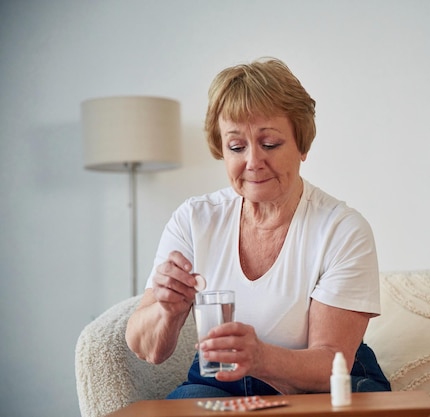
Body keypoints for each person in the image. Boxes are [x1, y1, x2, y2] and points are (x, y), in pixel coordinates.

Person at [125, 57, 391, 398]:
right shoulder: (194, 219)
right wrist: (168, 309)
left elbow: (330, 363)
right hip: (221, 382)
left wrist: (261, 357)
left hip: (323, 387)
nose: (253, 162)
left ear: (302, 145)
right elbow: (148, 349)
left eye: (270, 144)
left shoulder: (341, 229)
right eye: (236, 146)